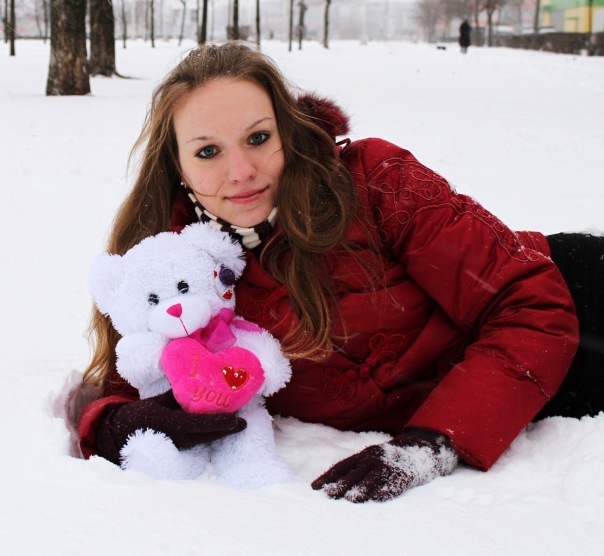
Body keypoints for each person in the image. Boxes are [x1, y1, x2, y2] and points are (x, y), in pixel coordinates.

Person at [78, 42, 603, 503]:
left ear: (287, 131)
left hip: (580, 309)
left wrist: (435, 441)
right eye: (208, 151)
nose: (240, 172)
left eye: (258, 138)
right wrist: (117, 424)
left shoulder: (377, 181)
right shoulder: (167, 263)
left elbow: (527, 300)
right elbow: (128, 376)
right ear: (177, 166)